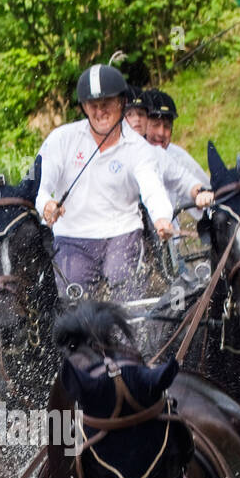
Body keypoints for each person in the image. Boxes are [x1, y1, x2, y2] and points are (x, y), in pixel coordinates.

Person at [37, 64, 176, 301]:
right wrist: (47, 205)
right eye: (93, 105)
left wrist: (162, 217)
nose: (100, 111)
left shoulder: (138, 148)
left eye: (107, 104)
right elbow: (40, 185)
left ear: (121, 103)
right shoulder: (61, 139)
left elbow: (151, 186)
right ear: (83, 107)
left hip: (122, 233)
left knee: (124, 285)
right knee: (72, 298)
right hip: (72, 236)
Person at [143, 89, 214, 219]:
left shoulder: (178, 158)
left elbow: (207, 196)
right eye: (155, 125)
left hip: (169, 234)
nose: (161, 133)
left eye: (167, 126)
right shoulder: (128, 153)